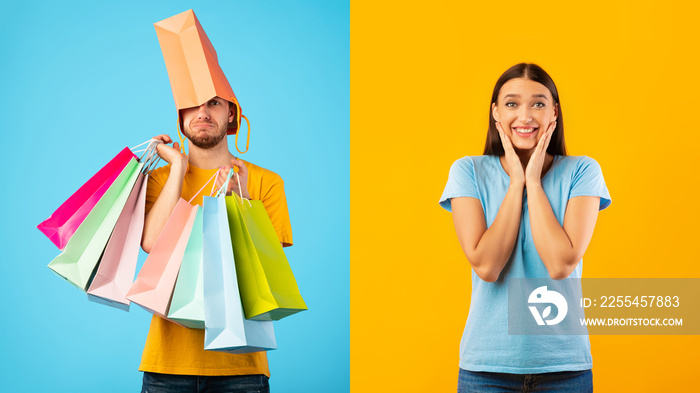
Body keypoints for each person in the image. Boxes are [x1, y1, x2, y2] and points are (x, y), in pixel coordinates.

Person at [439, 63, 610, 392]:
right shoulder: (468, 172)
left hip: (564, 367)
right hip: (486, 369)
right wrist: (516, 182)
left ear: (554, 112)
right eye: (512, 103)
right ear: (496, 113)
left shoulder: (582, 172)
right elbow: (487, 266)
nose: (526, 116)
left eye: (539, 103)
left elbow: (560, 263)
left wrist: (532, 179)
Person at [139, 96, 291, 393]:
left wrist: (244, 203)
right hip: (167, 366)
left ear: (231, 114)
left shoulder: (265, 182)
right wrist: (178, 167)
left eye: (214, 104)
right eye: (192, 105)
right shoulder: (160, 178)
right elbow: (152, 244)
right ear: (180, 116)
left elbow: (266, 269)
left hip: (241, 370)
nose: (203, 113)